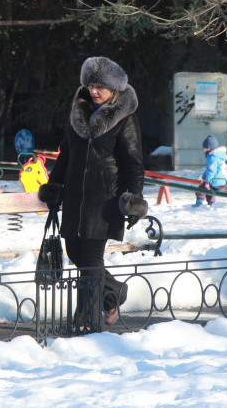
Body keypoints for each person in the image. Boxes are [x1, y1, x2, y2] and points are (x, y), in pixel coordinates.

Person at [38, 56, 148, 329]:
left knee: (90, 259)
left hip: (105, 198)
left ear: (114, 89)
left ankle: (86, 321)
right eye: (91, 85)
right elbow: (66, 155)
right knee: (75, 253)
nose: (94, 91)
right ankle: (114, 294)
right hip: (76, 197)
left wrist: (133, 199)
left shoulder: (125, 118)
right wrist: (54, 187)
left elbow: (133, 164)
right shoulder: (79, 112)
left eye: (100, 86)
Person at [195, 134, 227, 206]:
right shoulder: (219, 156)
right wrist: (204, 176)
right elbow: (209, 169)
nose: (205, 151)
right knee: (210, 190)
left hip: (215, 180)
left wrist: (207, 181)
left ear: (210, 149)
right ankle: (211, 203)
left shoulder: (212, 157)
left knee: (201, 189)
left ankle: (199, 202)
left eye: (206, 149)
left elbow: (211, 171)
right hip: (222, 180)